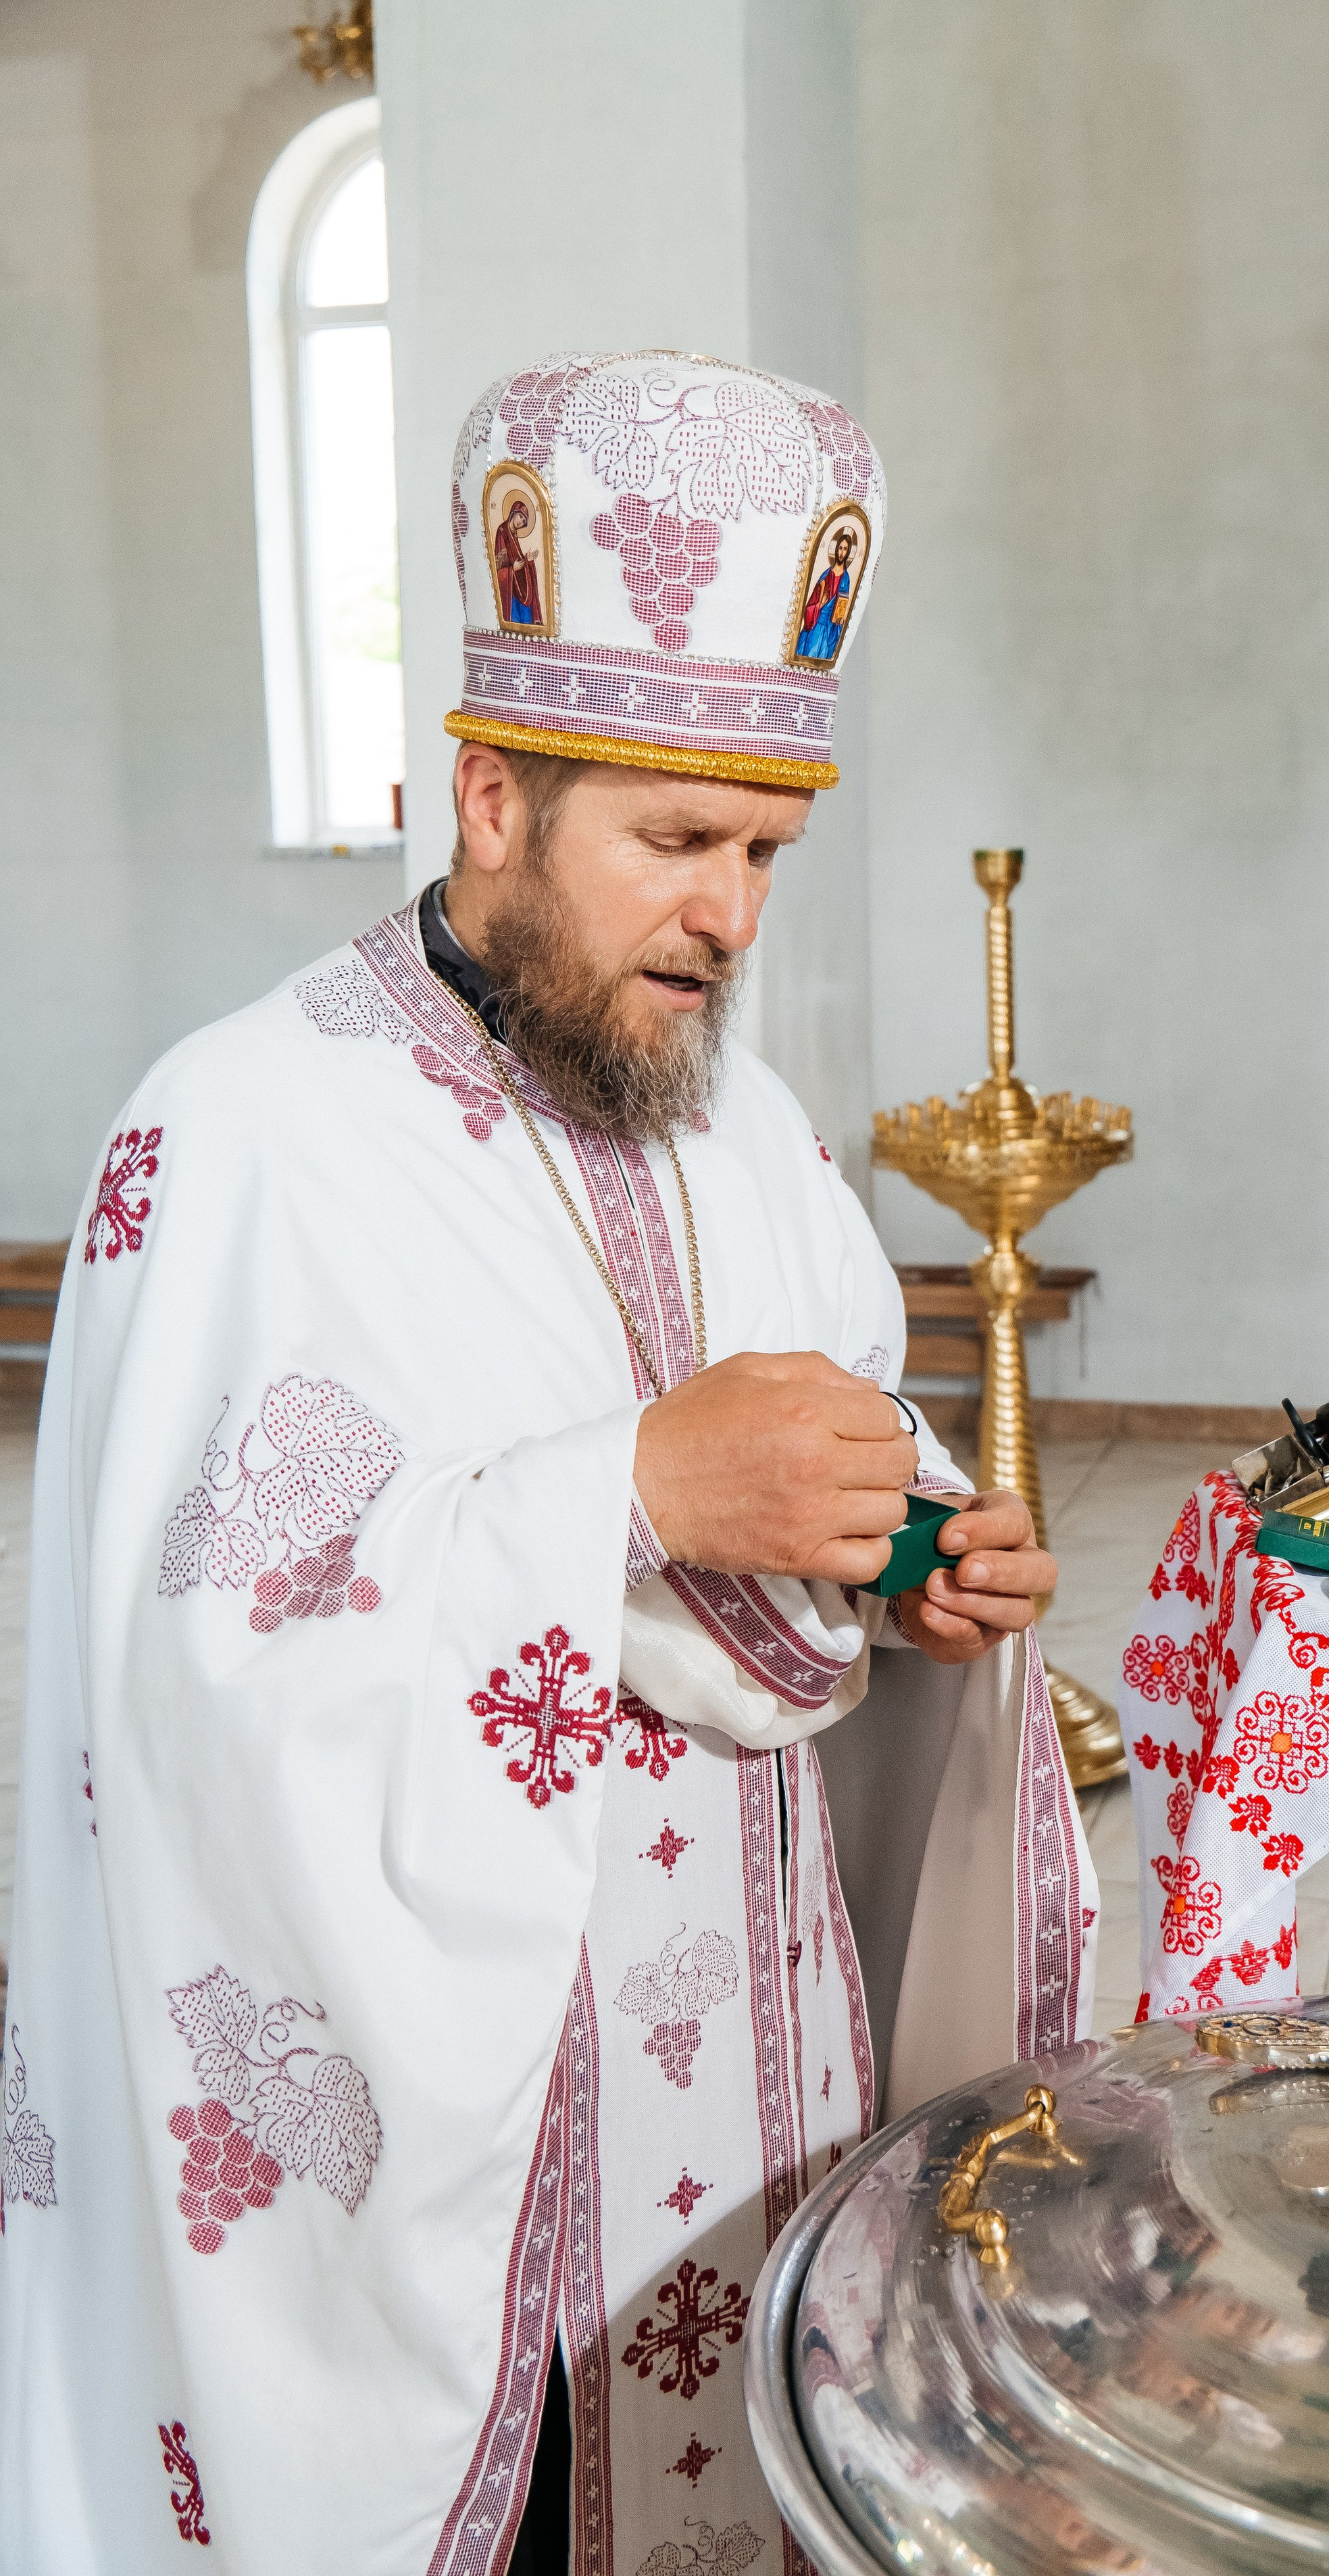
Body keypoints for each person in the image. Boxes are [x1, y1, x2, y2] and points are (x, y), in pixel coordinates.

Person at [0, 348, 1097, 2575]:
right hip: (463, 2161)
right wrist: (631, 1498)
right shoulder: (235, 1138)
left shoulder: (755, 1132)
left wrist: (911, 1565)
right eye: (673, 844)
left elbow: (839, 1458)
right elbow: (179, 1683)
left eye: (766, 851)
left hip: (745, 2097)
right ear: (490, 797)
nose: (732, 918)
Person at [794, 524, 855, 662]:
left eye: (845, 549)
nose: (842, 553)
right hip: (818, 625)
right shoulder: (826, 576)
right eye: (840, 548)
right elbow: (811, 604)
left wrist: (841, 617)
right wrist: (820, 604)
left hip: (831, 629)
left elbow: (843, 605)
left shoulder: (846, 579)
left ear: (849, 552)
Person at [495, 493, 544, 626]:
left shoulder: (514, 536)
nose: (521, 522)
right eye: (521, 517)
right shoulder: (502, 532)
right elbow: (498, 567)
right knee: (515, 618)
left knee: (526, 616)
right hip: (510, 586)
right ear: (513, 512)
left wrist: (528, 560)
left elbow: (517, 559)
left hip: (518, 583)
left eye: (523, 522)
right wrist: (512, 570)